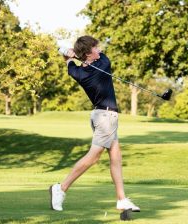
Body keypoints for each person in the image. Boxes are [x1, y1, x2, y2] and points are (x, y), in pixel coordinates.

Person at [49, 35, 140, 212]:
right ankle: (60, 188)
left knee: (116, 157)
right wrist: (76, 54)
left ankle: (121, 199)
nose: (99, 50)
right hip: (105, 117)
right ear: (89, 53)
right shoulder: (103, 64)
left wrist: (70, 56)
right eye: (96, 48)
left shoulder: (79, 73)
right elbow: (101, 56)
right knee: (93, 157)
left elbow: (69, 64)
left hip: (102, 116)